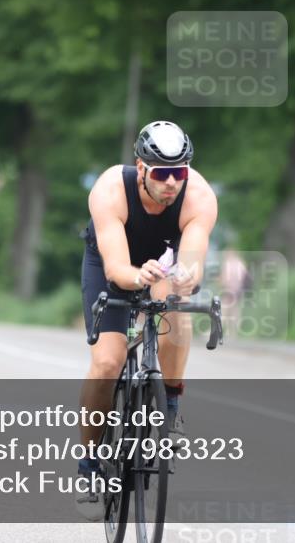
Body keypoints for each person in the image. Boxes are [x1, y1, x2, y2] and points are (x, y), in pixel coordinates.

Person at [75, 120, 217, 520]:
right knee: (107, 362)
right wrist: (137, 275)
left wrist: (186, 277)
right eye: (162, 174)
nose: (172, 183)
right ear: (141, 168)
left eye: (180, 173)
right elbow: (119, 266)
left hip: (163, 266)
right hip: (111, 264)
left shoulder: (200, 197)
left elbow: (192, 260)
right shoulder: (109, 189)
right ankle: (88, 463)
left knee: (175, 304)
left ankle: (169, 404)